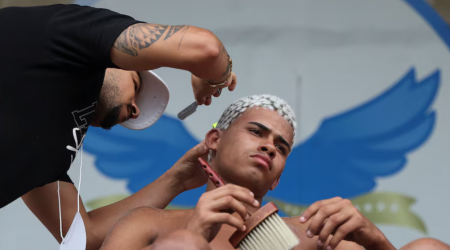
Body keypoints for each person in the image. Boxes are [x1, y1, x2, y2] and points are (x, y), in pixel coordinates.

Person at [0, 3, 237, 250]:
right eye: (136, 85)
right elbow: (207, 50)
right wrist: (213, 78)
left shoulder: (50, 155)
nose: (134, 110)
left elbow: (85, 236)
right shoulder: (67, 31)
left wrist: (177, 180)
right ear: (113, 60)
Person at [100, 94, 416, 250]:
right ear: (214, 139)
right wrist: (194, 235)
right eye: (256, 132)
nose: (269, 147)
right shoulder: (148, 223)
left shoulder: (314, 237)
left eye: (281, 147)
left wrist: (376, 242)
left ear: (277, 178)